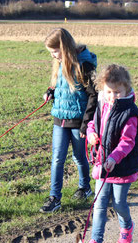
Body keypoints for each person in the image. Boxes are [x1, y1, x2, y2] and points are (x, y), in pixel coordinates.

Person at [82, 64, 138, 243]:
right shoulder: (102, 105)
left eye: (117, 92)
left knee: (118, 204)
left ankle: (127, 227)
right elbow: (93, 123)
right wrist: (91, 134)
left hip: (121, 166)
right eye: (108, 91)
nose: (112, 96)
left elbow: (128, 141)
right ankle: (95, 241)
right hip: (103, 164)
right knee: (99, 203)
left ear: (126, 89)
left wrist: (114, 158)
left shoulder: (130, 113)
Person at [40, 28, 97, 213]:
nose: (53, 56)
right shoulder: (59, 64)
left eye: (54, 51)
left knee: (79, 157)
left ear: (63, 48)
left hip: (78, 121)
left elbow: (93, 96)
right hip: (59, 119)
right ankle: (54, 198)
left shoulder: (84, 66)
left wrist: (86, 123)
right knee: (57, 158)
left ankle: (85, 187)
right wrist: (50, 92)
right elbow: (59, 86)